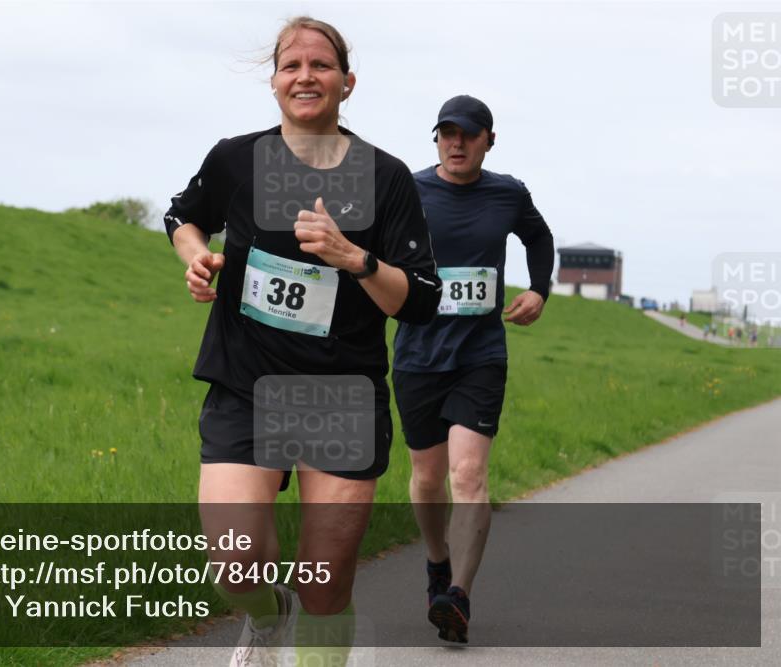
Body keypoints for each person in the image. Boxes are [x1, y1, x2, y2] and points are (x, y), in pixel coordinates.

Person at [164, 17, 440, 666]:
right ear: (274, 81)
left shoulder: (386, 177)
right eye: (291, 65)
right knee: (234, 563)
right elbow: (183, 215)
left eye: (320, 65)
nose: (305, 75)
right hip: (246, 384)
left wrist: (355, 258)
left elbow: (421, 299)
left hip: (341, 395)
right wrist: (198, 255)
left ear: (346, 82)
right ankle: (265, 615)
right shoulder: (236, 157)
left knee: (326, 585)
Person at [392, 95, 555, 643]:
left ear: (489, 139)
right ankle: (437, 561)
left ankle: (457, 595)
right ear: (436, 139)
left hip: (480, 354)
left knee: (468, 475)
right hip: (418, 354)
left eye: (467, 134)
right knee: (427, 476)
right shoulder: (408, 190)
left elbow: (539, 237)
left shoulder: (508, 193)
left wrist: (539, 289)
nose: (455, 144)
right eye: (446, 134)